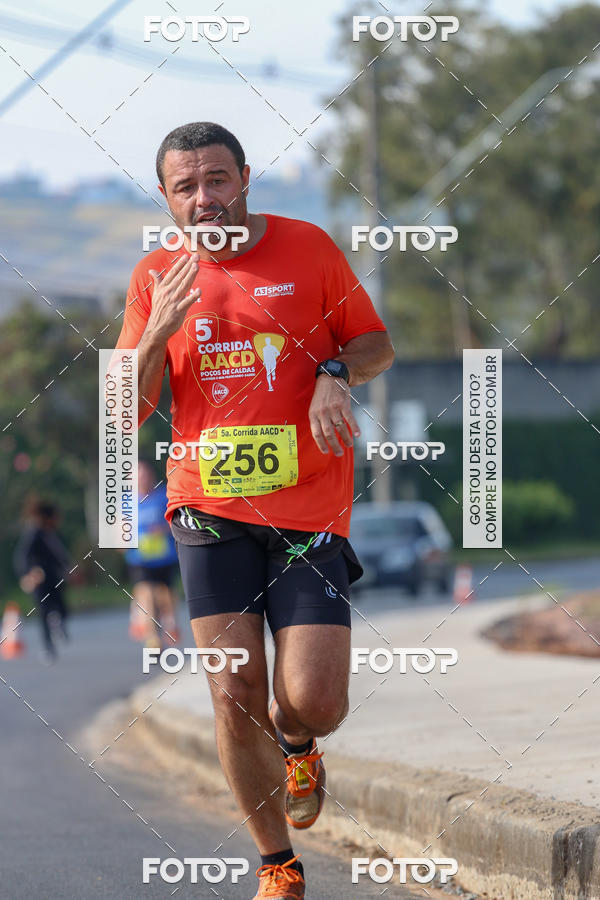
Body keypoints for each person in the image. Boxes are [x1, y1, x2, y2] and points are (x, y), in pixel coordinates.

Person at [116, 122, 394, 899]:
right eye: (185, 187)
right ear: (168, 199)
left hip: (308, 512)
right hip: (206, 509)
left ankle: (300, 739)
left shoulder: (308, 248)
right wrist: (153, 341)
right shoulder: (154, 278)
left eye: (216, 180)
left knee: (313, 699)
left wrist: (336, 369)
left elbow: (378, 346)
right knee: (234, 691)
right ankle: (277, 864)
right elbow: (122, 414)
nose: (204, 198)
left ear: (244, 177)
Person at [125, 459, 180, 648]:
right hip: (139, 559)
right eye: (137, 475)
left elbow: (176, 523)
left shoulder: (164, 496)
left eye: (145, 474)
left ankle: (170, 623)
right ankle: (153, 639)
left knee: (165, 595)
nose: (142, 478)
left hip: (165, 557)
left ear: (152, 476)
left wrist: (164, 529)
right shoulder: (126, 503)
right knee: (146, 593)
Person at [14, 499, 71, 662]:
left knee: (61, 608)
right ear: (49, 517)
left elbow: (59, 555)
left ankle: (58, 622)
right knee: (45, 612)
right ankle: (48, 647)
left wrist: (69, 569)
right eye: (57, 517)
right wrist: (26, 574)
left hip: (54, 578)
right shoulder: (34, 532)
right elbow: (22, 555)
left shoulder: (50, 533)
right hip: (38, 578)